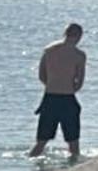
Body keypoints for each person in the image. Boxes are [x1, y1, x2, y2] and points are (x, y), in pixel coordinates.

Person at [31, 23, 87, 158]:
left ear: (65, 33)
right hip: (68, 98)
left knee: (41, 142)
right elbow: (79, 82)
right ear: (79, 36)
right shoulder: (79, 55)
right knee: (73, 144)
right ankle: (73, 170)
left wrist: (52, 85)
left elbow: (41, 76)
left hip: (50, 98)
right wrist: (69, 88)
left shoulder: (49, 51)